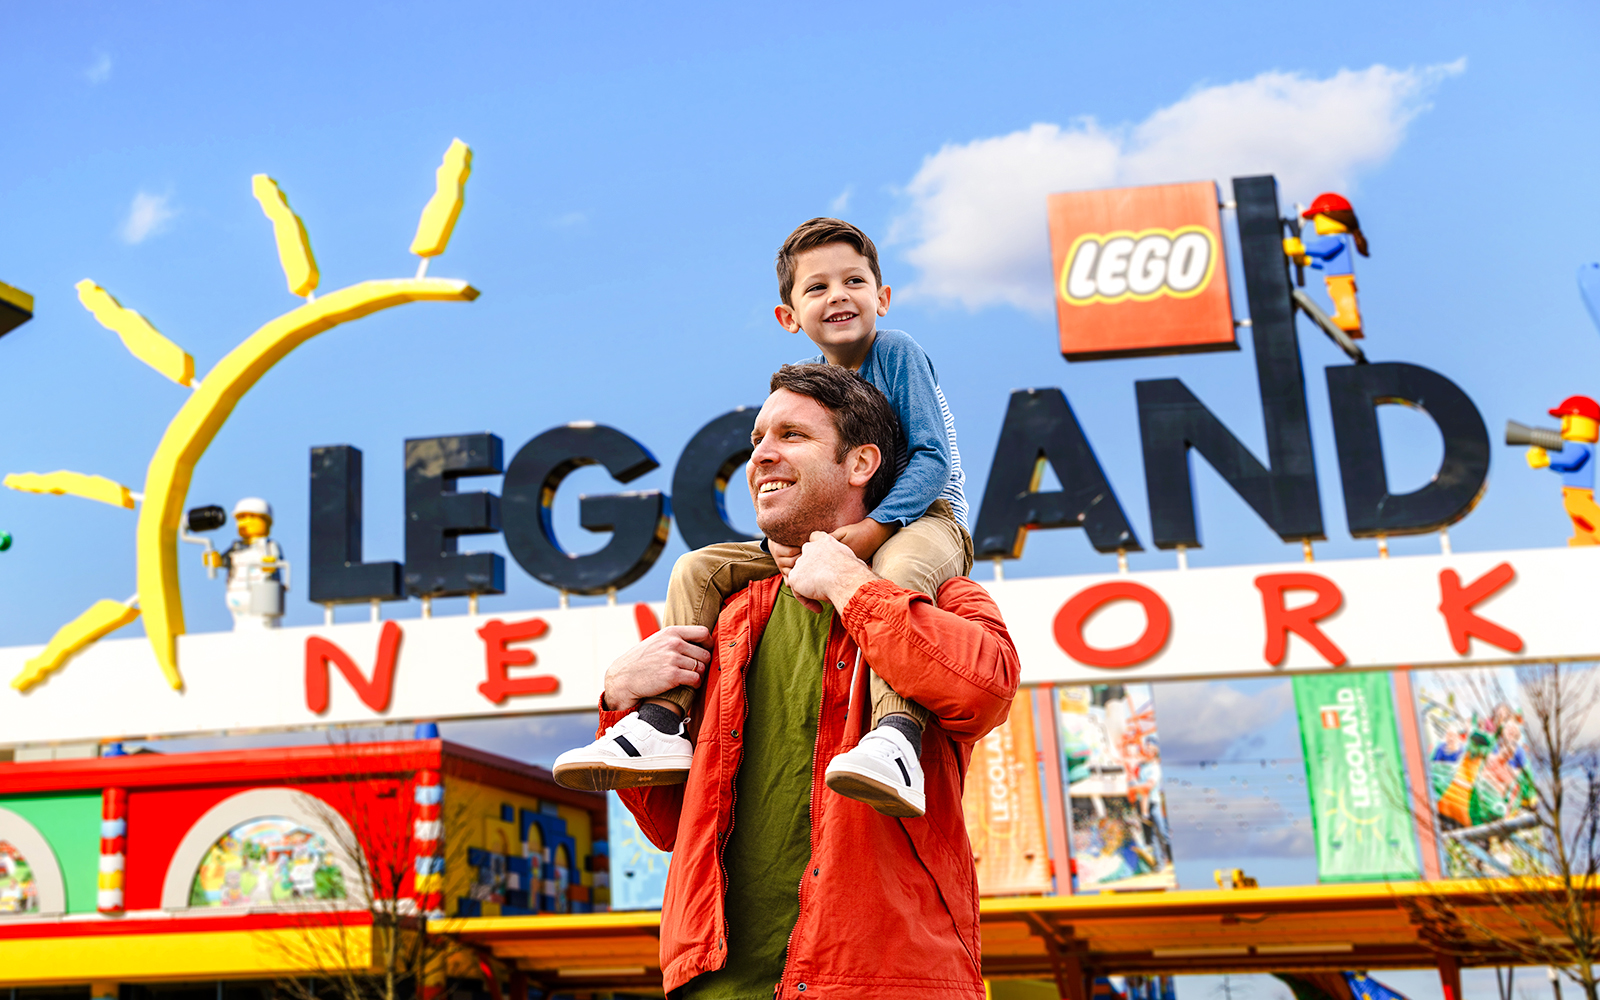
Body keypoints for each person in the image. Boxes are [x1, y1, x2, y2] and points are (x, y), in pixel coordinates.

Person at [582, 364, 1017, 999]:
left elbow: (985, 691)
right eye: (758, 439)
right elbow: (672, 825)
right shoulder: (726, 617)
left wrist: (852, 587)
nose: (761, 455)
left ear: (861, 462)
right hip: (717, 985)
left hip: (882, 980)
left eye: (791, 435)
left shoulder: (940, 594)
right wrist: (619, 700)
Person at [555, 218, 972, 818]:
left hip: (922, 518)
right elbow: (813, 488)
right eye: (816, 287)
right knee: (698, 568)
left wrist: (874, 529)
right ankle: (661, 720)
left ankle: (897, 737)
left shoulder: (896, 352)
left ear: (881, 297)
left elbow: (933, 459)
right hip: (839, 531)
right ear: (788, 316)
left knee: (900, 569)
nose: (838, 296)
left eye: (854, 281)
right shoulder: (812, 385)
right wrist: (789, 545)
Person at [1283, 192, 1370, 336]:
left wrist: (1300, 248)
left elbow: (1322, 250)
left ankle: (1349, 319)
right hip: (1335, 278)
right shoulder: (1336, 239)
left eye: (1317, 219)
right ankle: (1348, 321)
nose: (1315, 224)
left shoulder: (1337, 239)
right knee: (1337, 296)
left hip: (1341, 278)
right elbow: (1324, 263)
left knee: (1342, 297)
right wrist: (1307, 261)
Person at [202, 498, 288, 629]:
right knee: (241, 624)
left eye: (252, 517)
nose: (245, 523)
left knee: (264, 624)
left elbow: (275, 559)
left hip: (262, 594)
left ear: (267, 521)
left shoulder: (269, 546)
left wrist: (270, 565)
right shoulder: (236, 547)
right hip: (236, 592)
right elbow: (227, 560)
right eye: (241, 518)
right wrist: (217, 560)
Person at [1526, 395, 1600, 546]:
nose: (1564, 424)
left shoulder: (1581, 447)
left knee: (1591, 518)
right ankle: (1585, 545)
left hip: (1579, 495)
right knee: (1582, 527)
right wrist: (1545, 461)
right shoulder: (1576, 446)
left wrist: (1546, 460)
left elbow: (1570, 460)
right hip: (1571, 494)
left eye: (1567, 419)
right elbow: (1566, 466)